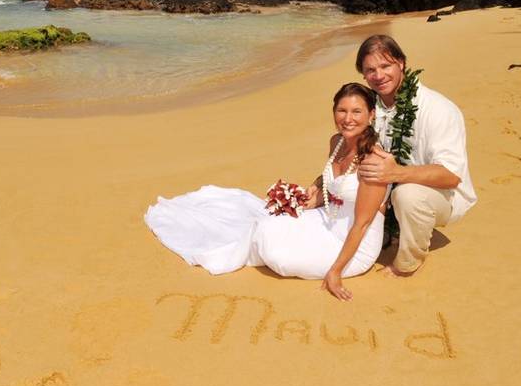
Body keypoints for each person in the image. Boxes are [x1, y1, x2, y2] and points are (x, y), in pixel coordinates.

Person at [144, 83, 389, 301]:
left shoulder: (373, 161)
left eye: (356, 112)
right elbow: (334, 182)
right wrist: (312, 193)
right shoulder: (336, 142)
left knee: (278, 257)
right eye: (342, 110)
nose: (348, 118)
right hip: (329, 219)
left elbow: (363, 224)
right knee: (266, 227)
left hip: (355, 244)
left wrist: (335, 272)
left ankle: (330, 261)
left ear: (371, 115)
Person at [355, 35, 476, 276]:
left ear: (401, 63)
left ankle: (408, 262)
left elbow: (452, 176)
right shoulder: (372, 107)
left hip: (444, 196)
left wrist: (396, 173)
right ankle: (384, 228)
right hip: (390, 189)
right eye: (370, 70)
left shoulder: (438, 109)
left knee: (407, 194)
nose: (378, 76)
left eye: (385, 66)